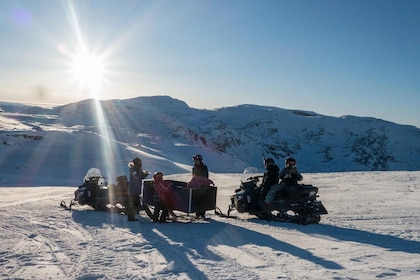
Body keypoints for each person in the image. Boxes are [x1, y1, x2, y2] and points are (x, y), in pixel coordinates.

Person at [127, 157, 149, 221]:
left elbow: (140, 177)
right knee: (133, 204)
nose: (140, 164)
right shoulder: (133, 169)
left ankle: (133, 216)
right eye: (139, 163)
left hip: (137, 189)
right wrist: (143, 175)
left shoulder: (138, 169)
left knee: (135, 203)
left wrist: (145, 174)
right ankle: (131, 217)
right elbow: (136, 177)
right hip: (133, 189)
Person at [192, 154, 209, 218]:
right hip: (196, 186)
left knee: (202, 199)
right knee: (197, 199)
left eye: (196, 160)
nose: (195, 162)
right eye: (194, 161)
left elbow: (205, 176)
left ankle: (202, 213)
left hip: (203, 186)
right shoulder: (194, 168)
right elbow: (193, 176)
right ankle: (197, 213)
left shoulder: (204, 167)